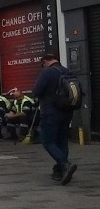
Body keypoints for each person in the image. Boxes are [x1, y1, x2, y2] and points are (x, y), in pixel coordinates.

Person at [31, 54, 77, 184]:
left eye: (42, 64)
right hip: (67, 111)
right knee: (62, 140)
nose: (43, 67)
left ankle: (65, 164)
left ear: (46, 61)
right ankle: (59, 170)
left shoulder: (48, 72)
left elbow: (37, 91)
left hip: (51, 111)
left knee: (48, 141)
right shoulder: (68, 71)